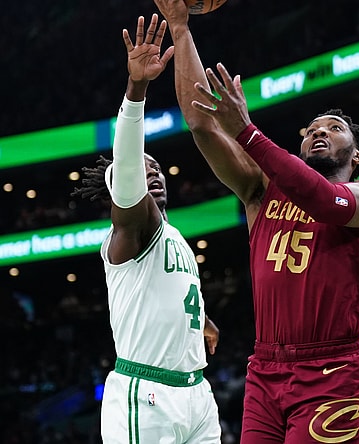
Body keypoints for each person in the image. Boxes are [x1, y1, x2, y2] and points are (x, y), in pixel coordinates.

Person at [152, 1, 359, 442]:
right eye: (311, 129)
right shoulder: (262, 188)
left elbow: (327, 203)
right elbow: (200, 122)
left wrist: (247, 132)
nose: (318, 132)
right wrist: (180, 28)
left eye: (334, 128)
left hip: (335, 372)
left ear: (357, 157)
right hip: (266, 370)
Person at [71, 14, 221, 443]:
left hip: (197, 392)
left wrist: (202, 320)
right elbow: (128, 163)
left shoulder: (174, 237)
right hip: (146, 393)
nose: (151, 173)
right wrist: (136, 90)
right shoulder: (131, 234)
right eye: (141, 169)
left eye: (156, 167)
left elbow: (169, 292)